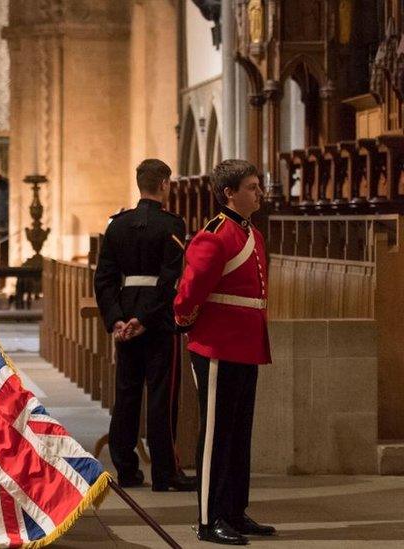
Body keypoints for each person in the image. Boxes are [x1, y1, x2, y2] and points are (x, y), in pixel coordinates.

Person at [174, 159, 276, 545]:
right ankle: (208, 519)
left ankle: (234, 511)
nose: (259, 192)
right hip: (217, 344)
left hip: (247, 343)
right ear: (229, 193)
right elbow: (190, 291)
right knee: (216, 434)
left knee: (238, 433)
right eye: (252, 186)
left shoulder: (253, 234)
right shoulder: (215, 234)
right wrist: (184, 321)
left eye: (258, 185)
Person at [94, 159, 195, 492]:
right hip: (158, 319)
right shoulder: (171, 225)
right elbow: (170, 280)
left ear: (139, 183)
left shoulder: (117, 225)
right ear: (164, 184)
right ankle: (165, 473)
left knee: (126, 393)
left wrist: (117, 319)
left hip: (126, 311)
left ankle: (126, 469)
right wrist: (146, 319)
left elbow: (105, 278)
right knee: (161, 397)